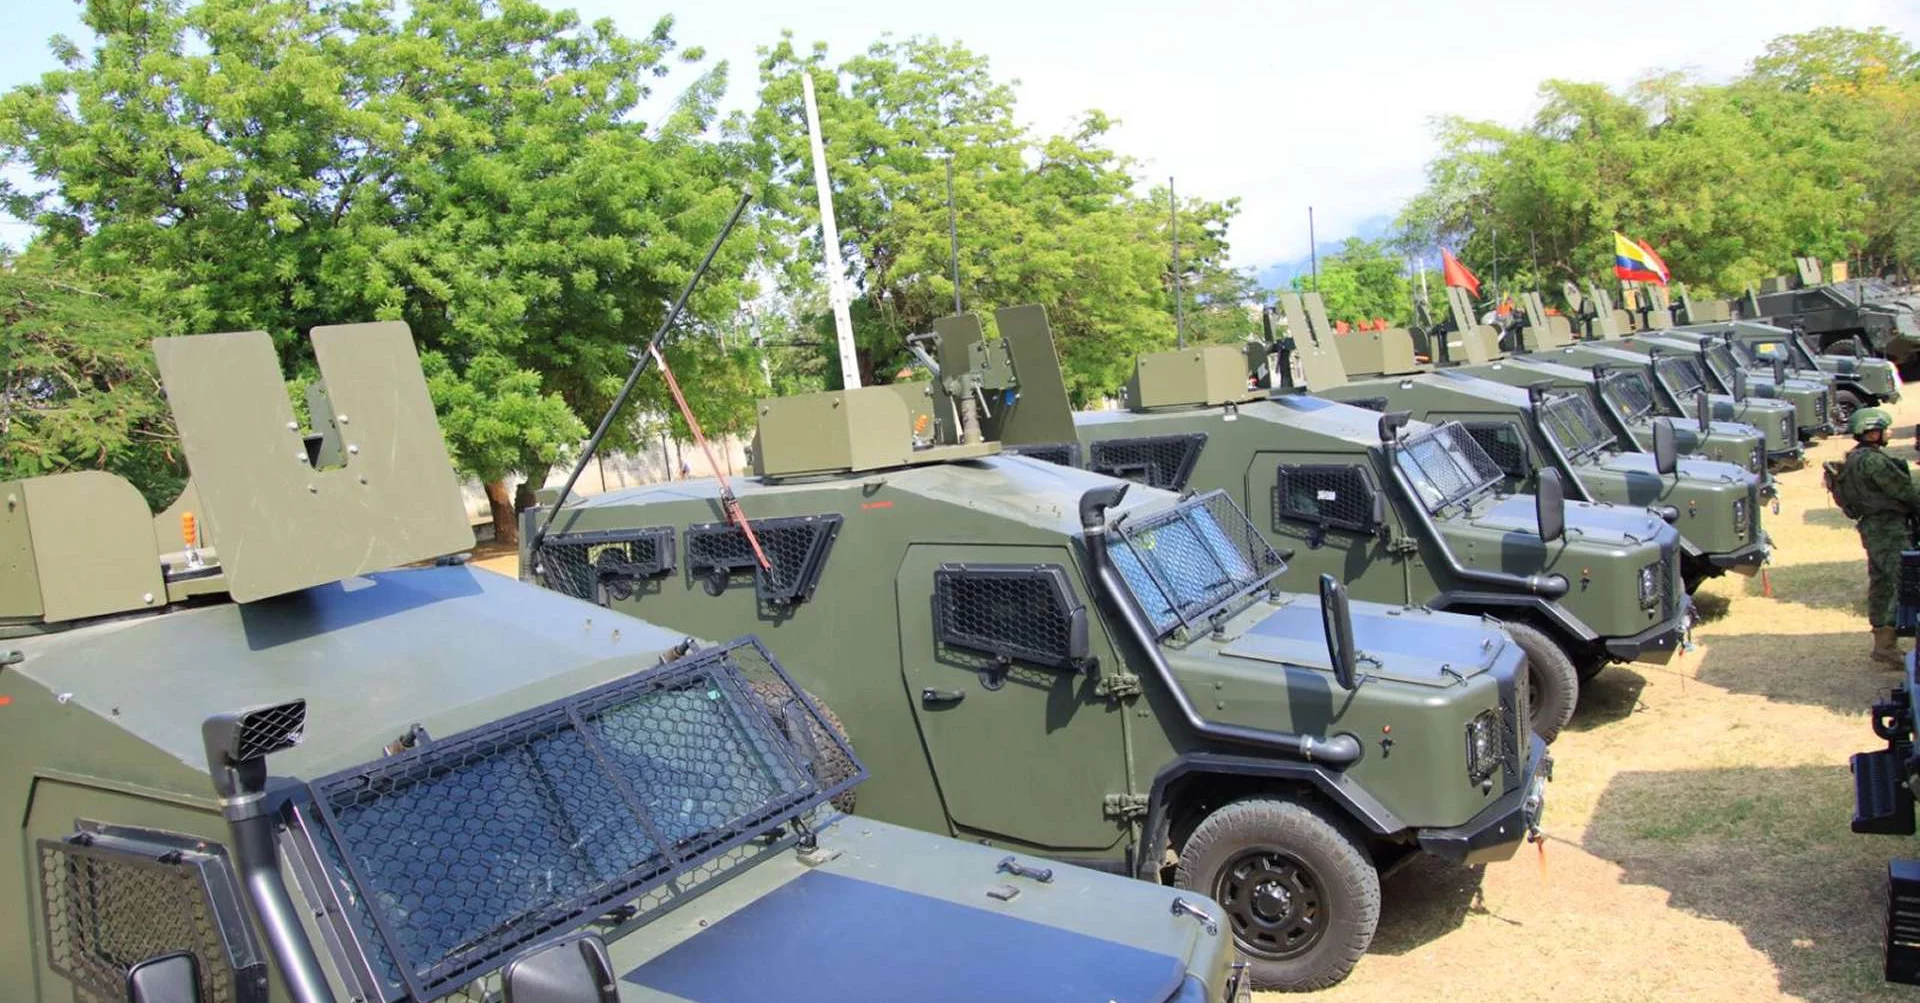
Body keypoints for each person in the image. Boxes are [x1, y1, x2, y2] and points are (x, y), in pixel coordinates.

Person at [1834, 407, 1920, 666]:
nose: (1889, 433)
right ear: (1872, 433)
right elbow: (1905, 491)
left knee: (1882, 582)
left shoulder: (1854, 459)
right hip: (1888, 528)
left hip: (1873, 527)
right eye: (1885, 428)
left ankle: (1884, 645)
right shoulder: (1874, 461)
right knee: (1903, 582)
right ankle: (1889, 642)